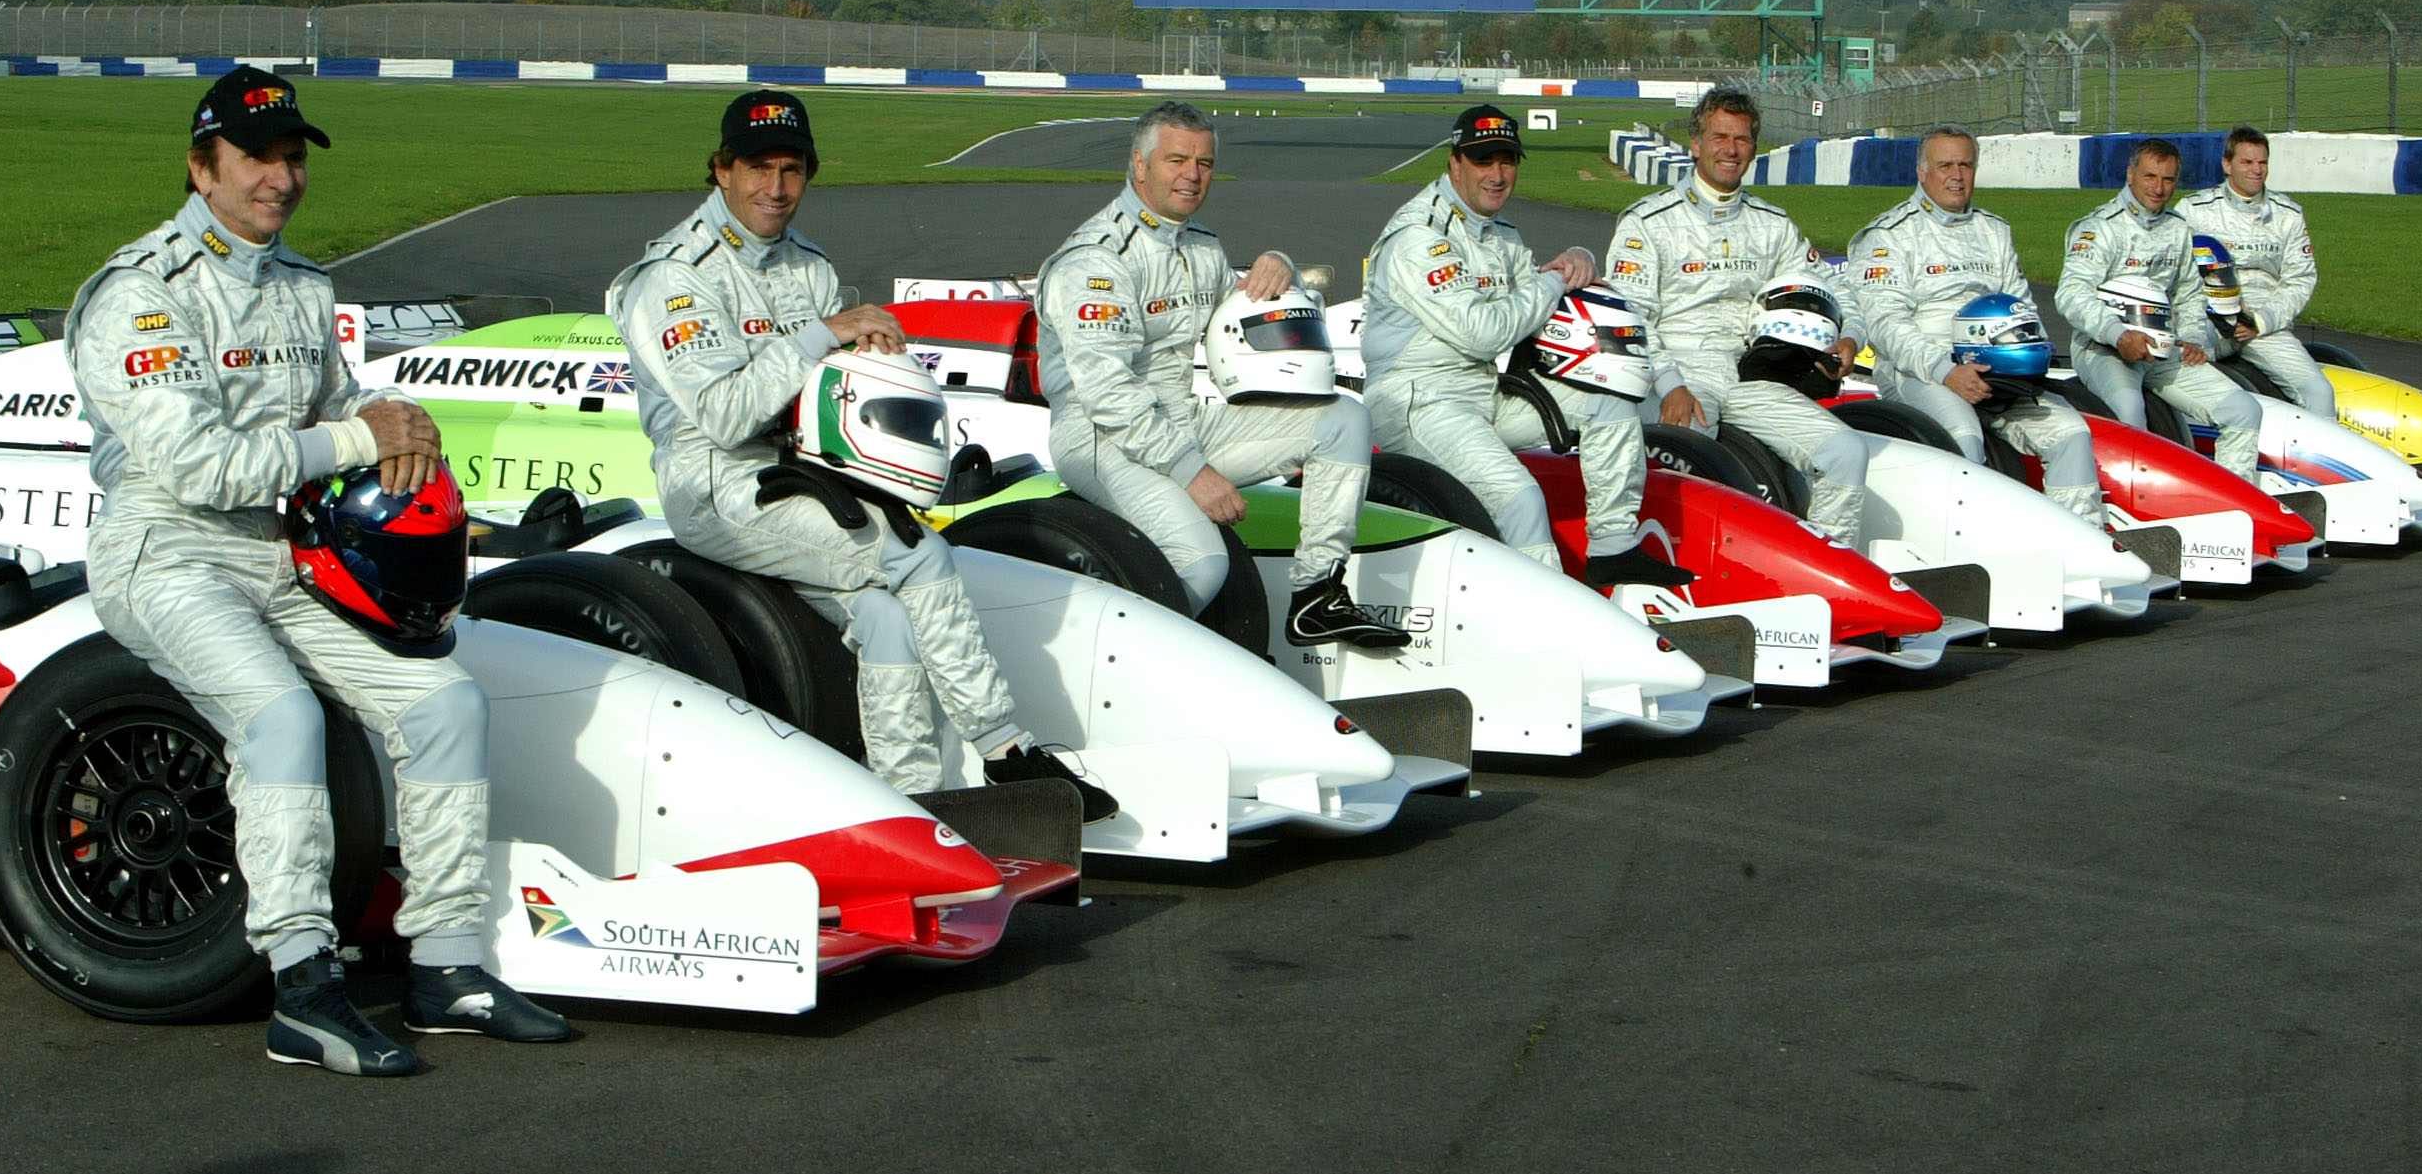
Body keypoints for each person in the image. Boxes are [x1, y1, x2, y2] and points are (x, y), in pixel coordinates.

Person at [67, 66, 566, 1077]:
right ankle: (302, 986)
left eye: (292, 156)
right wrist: (355, 436)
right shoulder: (139, 292)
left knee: (445, 703)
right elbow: (203, 466)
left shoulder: (303, 283)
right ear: (201, 167)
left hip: (288, 554)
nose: (281, 177)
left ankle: (445, 967)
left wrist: (400, 430)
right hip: (166, 550)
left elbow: (340, 414)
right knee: (282, 718)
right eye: (257, 156)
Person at [608, 91, 1114, 819]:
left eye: (792, 169)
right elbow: (724, 415)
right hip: (717, 485)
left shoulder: (806, 264)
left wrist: (867, 352)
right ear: (720, 170)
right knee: (918, 554)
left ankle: (912, 803)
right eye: (757, 168)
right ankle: (1006, 747)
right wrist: (826, 333)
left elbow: (827, 376)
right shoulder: (674, 277)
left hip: (806, 476)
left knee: (887, 619)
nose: (775, 188)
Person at [1036, 100, 1407, 649]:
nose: (1192, 175)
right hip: (1099, 438)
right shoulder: (1095, 260)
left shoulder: (1202, 248)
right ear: (1139, 165)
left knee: (1343, 420)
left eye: (1204, 163)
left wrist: (1277, 262)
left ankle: (1315, 596)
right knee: (1205, 563)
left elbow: (1241, 313)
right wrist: (1193, 474)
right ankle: (1126, 664)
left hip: (1179, 421)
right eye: (1176, 160)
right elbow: (1108, 396)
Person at [1362, 105, 1650, 566]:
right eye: (1482, 161)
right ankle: (1551, 621)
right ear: (1454, 162)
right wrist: (1554, 280)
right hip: (1416, 401)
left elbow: (1533, 310)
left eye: (1507, 160)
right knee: (1521, 500)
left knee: (1608, 398)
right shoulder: (1419, 236)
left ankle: (1614, 547)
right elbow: (1486, 333)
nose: (1497, 174)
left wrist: (1576, 260)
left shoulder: (1501, 234)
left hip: (1482, 394)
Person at [1607, 85, 1870, 547]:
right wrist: (1671, 385)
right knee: (1696, 457)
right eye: (1719, 137)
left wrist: (1849, 336)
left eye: (1742, 139)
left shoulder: (1772, 225)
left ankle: (1826, 575)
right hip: (1680, 371)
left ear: (1753, 148)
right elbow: (1629, 318)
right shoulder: (1647, 222)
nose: (1731, 150)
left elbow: (1837, 288)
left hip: (1752, 374)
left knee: (1846, 452)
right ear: (1695, 143)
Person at [1845, 126, 2104, 521]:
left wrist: (2024, 363)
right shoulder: (1888, 236)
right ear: (1922, 171)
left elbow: (2022, 306)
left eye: (1965, 164)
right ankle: (1975, 554)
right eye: (1945, 164)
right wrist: (1948, 372)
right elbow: (1885, 324)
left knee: (2071, 432)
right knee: (1964, 438)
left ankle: (2084, 544)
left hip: (1999, 367)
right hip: (1923, 370)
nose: (1956, 174)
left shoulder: (1994, 230)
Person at [2055, 137, 2263, 479]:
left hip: (2164, 350)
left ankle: (2235, 508)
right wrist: (2118, 335)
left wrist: (2195, 338)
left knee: (2244, 410)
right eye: (2151, 176)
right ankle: (2134, 513)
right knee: (2129, 409)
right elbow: (2071, 294)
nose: (2159, 188)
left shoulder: (2178, 229)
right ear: (2130, 174)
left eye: (2168, 179)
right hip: (2104, 348)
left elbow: (2189, 293)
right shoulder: (2100, 227)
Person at [2177, 125, 2334, 418]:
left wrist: (2260, 321)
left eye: (2262, 162)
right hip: (2206, 316)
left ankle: (2316, 462)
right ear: (2227, 164)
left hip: (2263, 323)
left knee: (2319, 392)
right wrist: (2190, 327)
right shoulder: (2194, 209)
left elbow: (2300, 280)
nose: (2256, 170)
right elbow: (2177, 276)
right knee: (2182, 368)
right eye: (2247, 162)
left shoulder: (2288, 214)